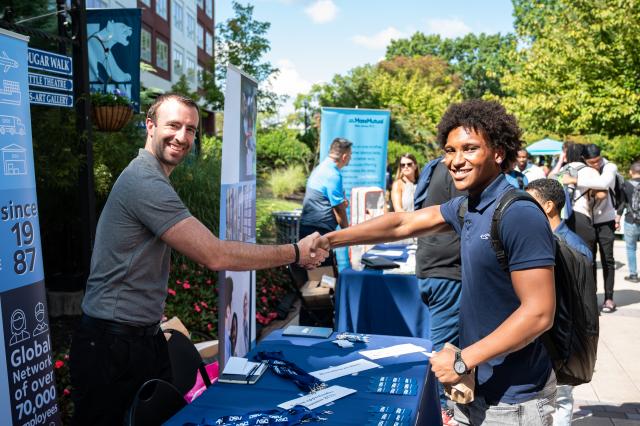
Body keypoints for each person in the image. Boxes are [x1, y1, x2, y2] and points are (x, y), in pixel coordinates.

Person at [69, 93, 328, 426]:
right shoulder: (144, 181)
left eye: (190, 129)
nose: (182, 136)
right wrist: (294, 251)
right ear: (150, 126)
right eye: (173, 125)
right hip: (111, 348)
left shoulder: (154, 178)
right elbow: (215, 254)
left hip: (139, 340)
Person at [313, 99, 557, 425]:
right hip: (476, 387)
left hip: (514, 400)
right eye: (449, 150)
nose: (455, 161)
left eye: (469, 149)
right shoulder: (468, 206)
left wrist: (462, 360)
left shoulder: (518, 213)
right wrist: (329, 240)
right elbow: (403, 223)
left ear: (498, 153)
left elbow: (539, 314)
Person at [525, 178, 594, 426]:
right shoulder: (567, 243)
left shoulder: (563, 247)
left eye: (529, 202)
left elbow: (577, 307)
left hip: (559, 345)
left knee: (559, 401)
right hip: (558, 344)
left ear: (548, 206)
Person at [414, 157, 465, 425]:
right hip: (447, 270)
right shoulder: (458, 171)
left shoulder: (435, 166)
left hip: (433, 266)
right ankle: (439, 413)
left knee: (443, 343)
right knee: (442, 350)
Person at [581, 144, 619, 313]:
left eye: (597, 161)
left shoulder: (610, 167)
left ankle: (609, 298)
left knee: (608, 260)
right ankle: (592, 298)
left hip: (606, 221)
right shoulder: (584, 170)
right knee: (590, 260)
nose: (595, 164)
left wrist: (575, 180)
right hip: (588, 220)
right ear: (584, 160)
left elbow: (603, 183)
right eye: (591, 162)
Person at [299, 137, 352, 238]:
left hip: (308, 228)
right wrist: (348, 233)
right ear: (344, 157)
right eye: (350, 155)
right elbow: (339, 209)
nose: (351, 158)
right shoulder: (333, 174)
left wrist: (340, 203)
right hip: (318, 231)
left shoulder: (322, 167)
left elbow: (327, 199)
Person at [617, 160, 640, 283]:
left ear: (631, 172)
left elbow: (622, 204)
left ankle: (633, 275)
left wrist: (617, 219)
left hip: (631, 220)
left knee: (631, 248)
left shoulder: (626, 185)